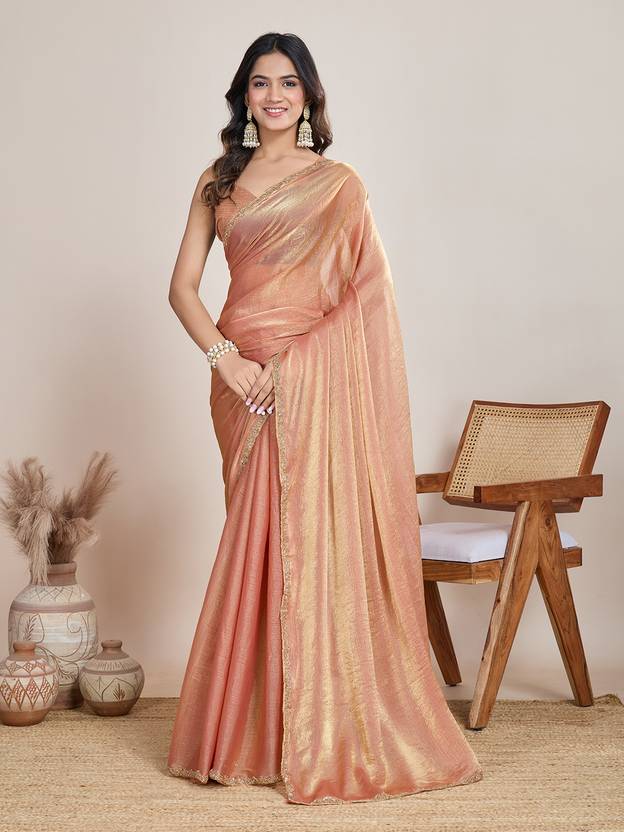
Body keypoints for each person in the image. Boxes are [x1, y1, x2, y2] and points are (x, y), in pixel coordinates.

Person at [166, 31, 483, 806]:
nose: (275, 96)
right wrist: (228, 363)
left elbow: (368, 297)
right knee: (255, 541)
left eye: (289, 83)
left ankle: (310, 728)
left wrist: (295, 367)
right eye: (261, 82)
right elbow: (181, 288)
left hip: (307, 379)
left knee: (302, 542)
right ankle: (247, 732)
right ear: (244, 95)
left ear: (308, 96)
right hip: (241, 384)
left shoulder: (337, 185)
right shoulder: (217, 180)